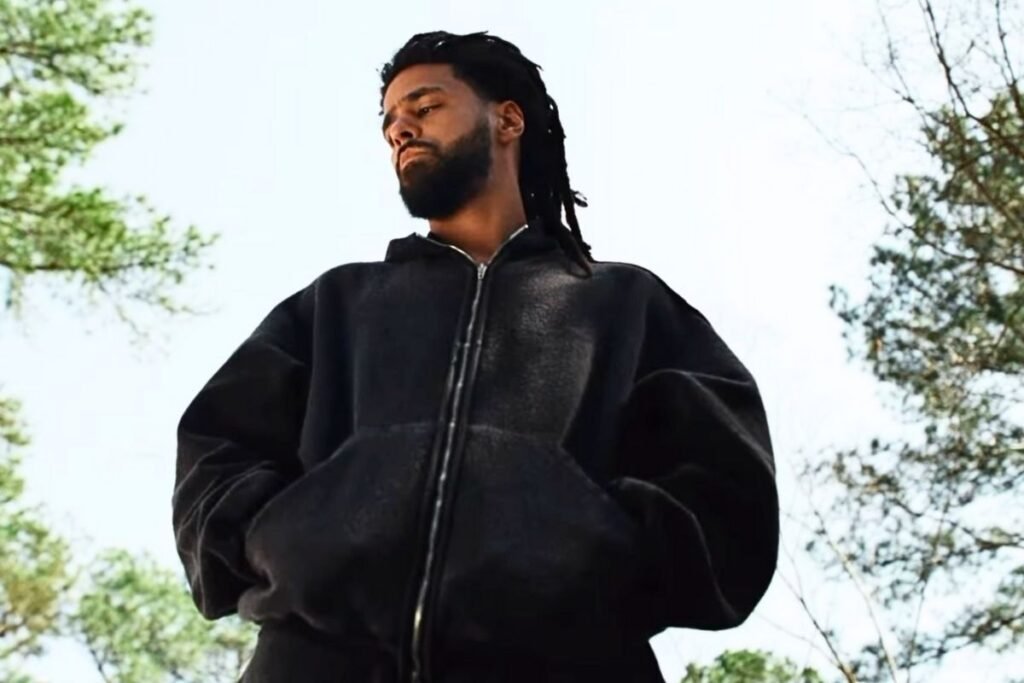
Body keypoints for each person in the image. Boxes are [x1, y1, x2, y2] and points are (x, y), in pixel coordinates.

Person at [172, 30, 779, 683]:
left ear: (508, 120)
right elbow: (216, 453)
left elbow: (726, 495)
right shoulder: (336, 303)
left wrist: (594, 554)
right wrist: (292, 541)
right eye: (390, 121)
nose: (400, 129)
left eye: (425, 106)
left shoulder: (626, 304)